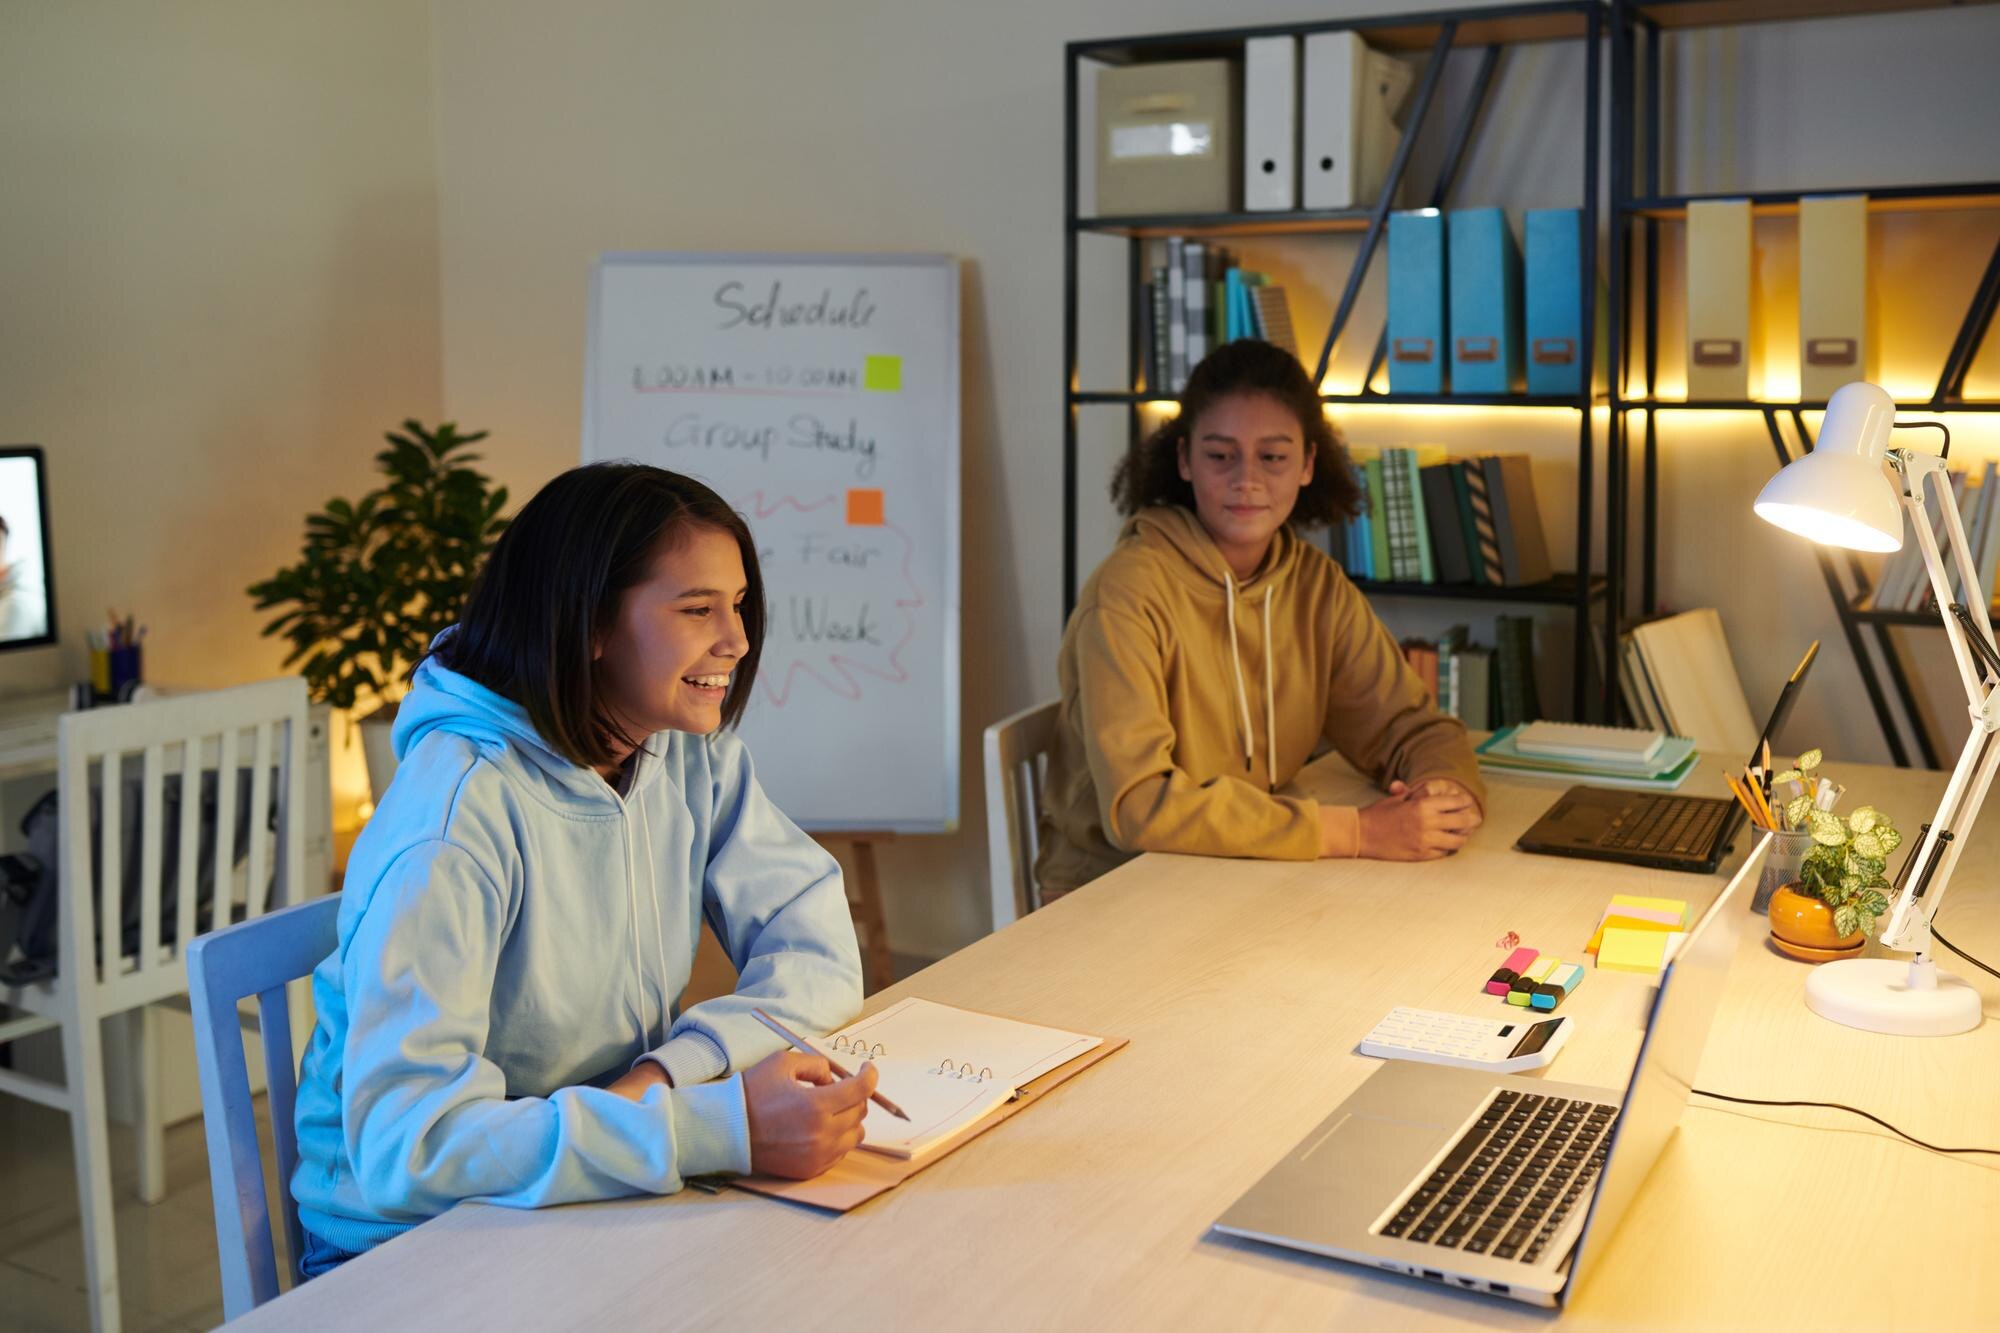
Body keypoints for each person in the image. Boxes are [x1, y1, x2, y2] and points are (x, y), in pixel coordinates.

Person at [292, 463, 874, 1273]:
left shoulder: (683, 754)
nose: (737, 640)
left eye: (738, 603)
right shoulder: (455, 821)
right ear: (589, 624)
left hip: (587, 1178)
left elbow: (816, 946)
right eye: (698, 608)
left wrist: (665, 1075)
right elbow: (409, 1148)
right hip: (411, 1244)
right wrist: (715, 1124)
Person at [1037, 339, 1486, 899]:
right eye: (1220, 455)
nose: (1246, 479)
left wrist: (1442, 790)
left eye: (1272, 457)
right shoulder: (1128, 592)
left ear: (1306, 465)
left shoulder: (1315, 586)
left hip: (1247, 872)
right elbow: (1140, 807)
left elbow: (1409, 726)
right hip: (1115, 891)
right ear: (1184, 461)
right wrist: (1358, 831)